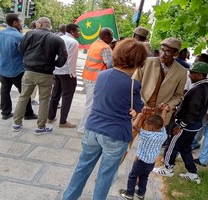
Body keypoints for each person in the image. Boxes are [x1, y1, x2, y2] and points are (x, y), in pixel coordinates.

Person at [63, 38, 148, 200]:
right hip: (116, 134)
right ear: (138, 62)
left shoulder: (101, 75)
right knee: (106, 174)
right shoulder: (133, 85)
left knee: (82, 168)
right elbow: (137, 108)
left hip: (93, 128)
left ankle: (69, 197)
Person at [153, 62, 208, 184]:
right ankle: (192, 173)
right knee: (185, 148)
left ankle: (168, 168)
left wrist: (180, 125)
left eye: (192, 73)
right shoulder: (205, 86)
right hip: (194, 125)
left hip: (187, 125)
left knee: (172, 145)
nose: (189, 75)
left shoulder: (198, 89)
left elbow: (192, 111)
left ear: (200, 75)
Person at [12, 17, 67, 134]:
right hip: (46, 74)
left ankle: (17, 123)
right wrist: (54, 64)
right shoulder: (57, 39)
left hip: (29, 71)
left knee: (23, 97)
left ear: (41, 24)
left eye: (37, 23)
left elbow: (21, 48)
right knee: (44, 100)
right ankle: (40, 127)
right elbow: (63, 58)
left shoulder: (30, 34)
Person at [132, 37, 187, 143]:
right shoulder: (147, 62)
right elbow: (133, 85)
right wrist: (141, 103)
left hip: (158, 115)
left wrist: (168, 106)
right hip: (139, 109)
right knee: (126, 140)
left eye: (168, 52)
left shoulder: (181, 71)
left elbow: (179, 95)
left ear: (175, 54)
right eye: (162, 50)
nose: (163, 54)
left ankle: (140, 160)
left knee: (148, 145)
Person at [119, 107, 168, 200]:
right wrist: (164, 111)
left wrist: (139, 116)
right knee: (144, 177)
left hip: (141, 162)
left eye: (147, 124)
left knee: (132, 176)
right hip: (151, 163)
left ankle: (129, 194)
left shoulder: (147, 134)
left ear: (151, 127)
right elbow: (163, 123)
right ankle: (141, 194)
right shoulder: (163, 134)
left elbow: (134, 126)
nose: (146, 126)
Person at [0, 13, 37, 120]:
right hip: (16, 68)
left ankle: (5, 113)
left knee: (4, 91)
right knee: (24, 92)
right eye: (20, 22)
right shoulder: (19, 37)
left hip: (2, 66)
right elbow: (24, 51)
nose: (21, 24)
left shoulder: (0, 33)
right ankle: (28, 113)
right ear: (15, 23)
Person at [77, 28, 113, 133]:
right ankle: (83, 127)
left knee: (90, 103)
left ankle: (86, 126)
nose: (112, 39)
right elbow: (110, 64)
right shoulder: (105, 47)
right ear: (107, 37)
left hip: (88, 77)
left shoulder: (95, 43)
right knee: (91, 104)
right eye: (111, 37)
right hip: (96, 79)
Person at [48, 24, 79, 128]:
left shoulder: (58, 38)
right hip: (67, 73)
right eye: (77, 31)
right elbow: (71, 61)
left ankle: (50, 117)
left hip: (57, 70)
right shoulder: (74, 42)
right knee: (67, 97)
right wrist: (72, 74)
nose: (79, 33)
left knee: (55, 94)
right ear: (72, 31)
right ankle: (63, 121)